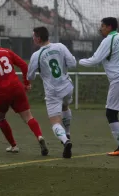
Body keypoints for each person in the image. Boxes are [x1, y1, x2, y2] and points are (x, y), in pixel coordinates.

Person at [0, 33, 48, 156]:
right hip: (17, 87)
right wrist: (26, 83)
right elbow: (23, 65)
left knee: (1, 118)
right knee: (28, 117)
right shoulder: (6, 51)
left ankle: (14, 145)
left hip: (1, 92)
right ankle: (39, 136)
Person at [79, 17, 119, 156]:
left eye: (103, 26)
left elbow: (95, 60)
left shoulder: (108, 40)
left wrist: (75, 61)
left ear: (110, 27)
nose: (101, 29)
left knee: (111, 113)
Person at [27, 26, 75, 159]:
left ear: (38, 38)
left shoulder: (37, 55)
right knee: (65, 106)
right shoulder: (60, 46)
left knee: (55, 122)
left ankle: (66, 141)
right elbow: (72, 63)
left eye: (33, 36)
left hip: (53, 91)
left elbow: (30, 76)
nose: (33, 39)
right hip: (67, 86)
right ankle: (68, 133)